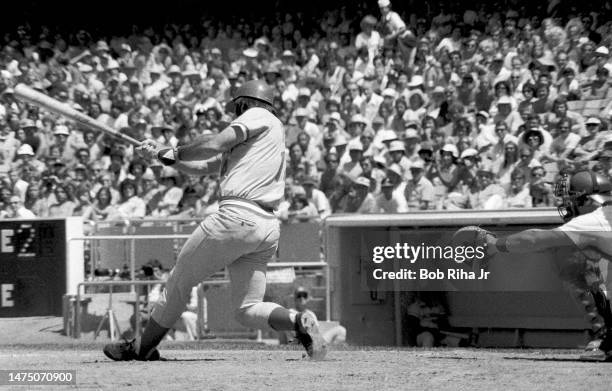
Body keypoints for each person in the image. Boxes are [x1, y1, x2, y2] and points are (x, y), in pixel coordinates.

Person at [103, 80, 327, 361]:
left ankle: (142, 348)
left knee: (178, 283)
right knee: (247, 308)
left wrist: (174, 150)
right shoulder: (260, 141)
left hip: (236, 217)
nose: (236, 112)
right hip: (266, 227)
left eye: (237, 107)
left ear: (244, 102)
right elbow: (202, 166)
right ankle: (299, 320)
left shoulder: (258, 115)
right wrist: (163, 155)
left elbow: (212, 144)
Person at [457, 171, 612, 361]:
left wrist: (494, 245)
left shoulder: (596, 219)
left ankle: (608, 336)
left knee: (575, 259)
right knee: (588, 255)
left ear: (587, 200)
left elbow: (535, 239)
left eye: (572, 198)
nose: (568, 203)